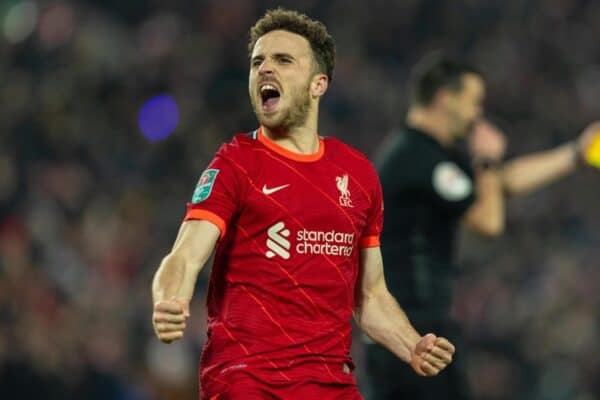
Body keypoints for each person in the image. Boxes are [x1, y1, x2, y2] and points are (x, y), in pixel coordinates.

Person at [151, 9, 455, 400]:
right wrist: (169, 299)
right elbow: (185, 255)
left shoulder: (357, 175)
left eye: (283, 60)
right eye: (257, 61)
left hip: (331, 383)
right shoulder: (236, 163)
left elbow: (371, 297)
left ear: (318, 84)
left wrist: (412, 345)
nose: (264, 69)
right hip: (247, 379)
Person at [367, 53, 600, 400]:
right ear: (446, 98)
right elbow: (488, 221)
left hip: (409, 334)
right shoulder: (418, 159)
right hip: (411, 331)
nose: (478, 113)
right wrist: (487, 159)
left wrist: (575, 154)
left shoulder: (424, 153)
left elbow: (499, 185)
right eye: (474, 102)